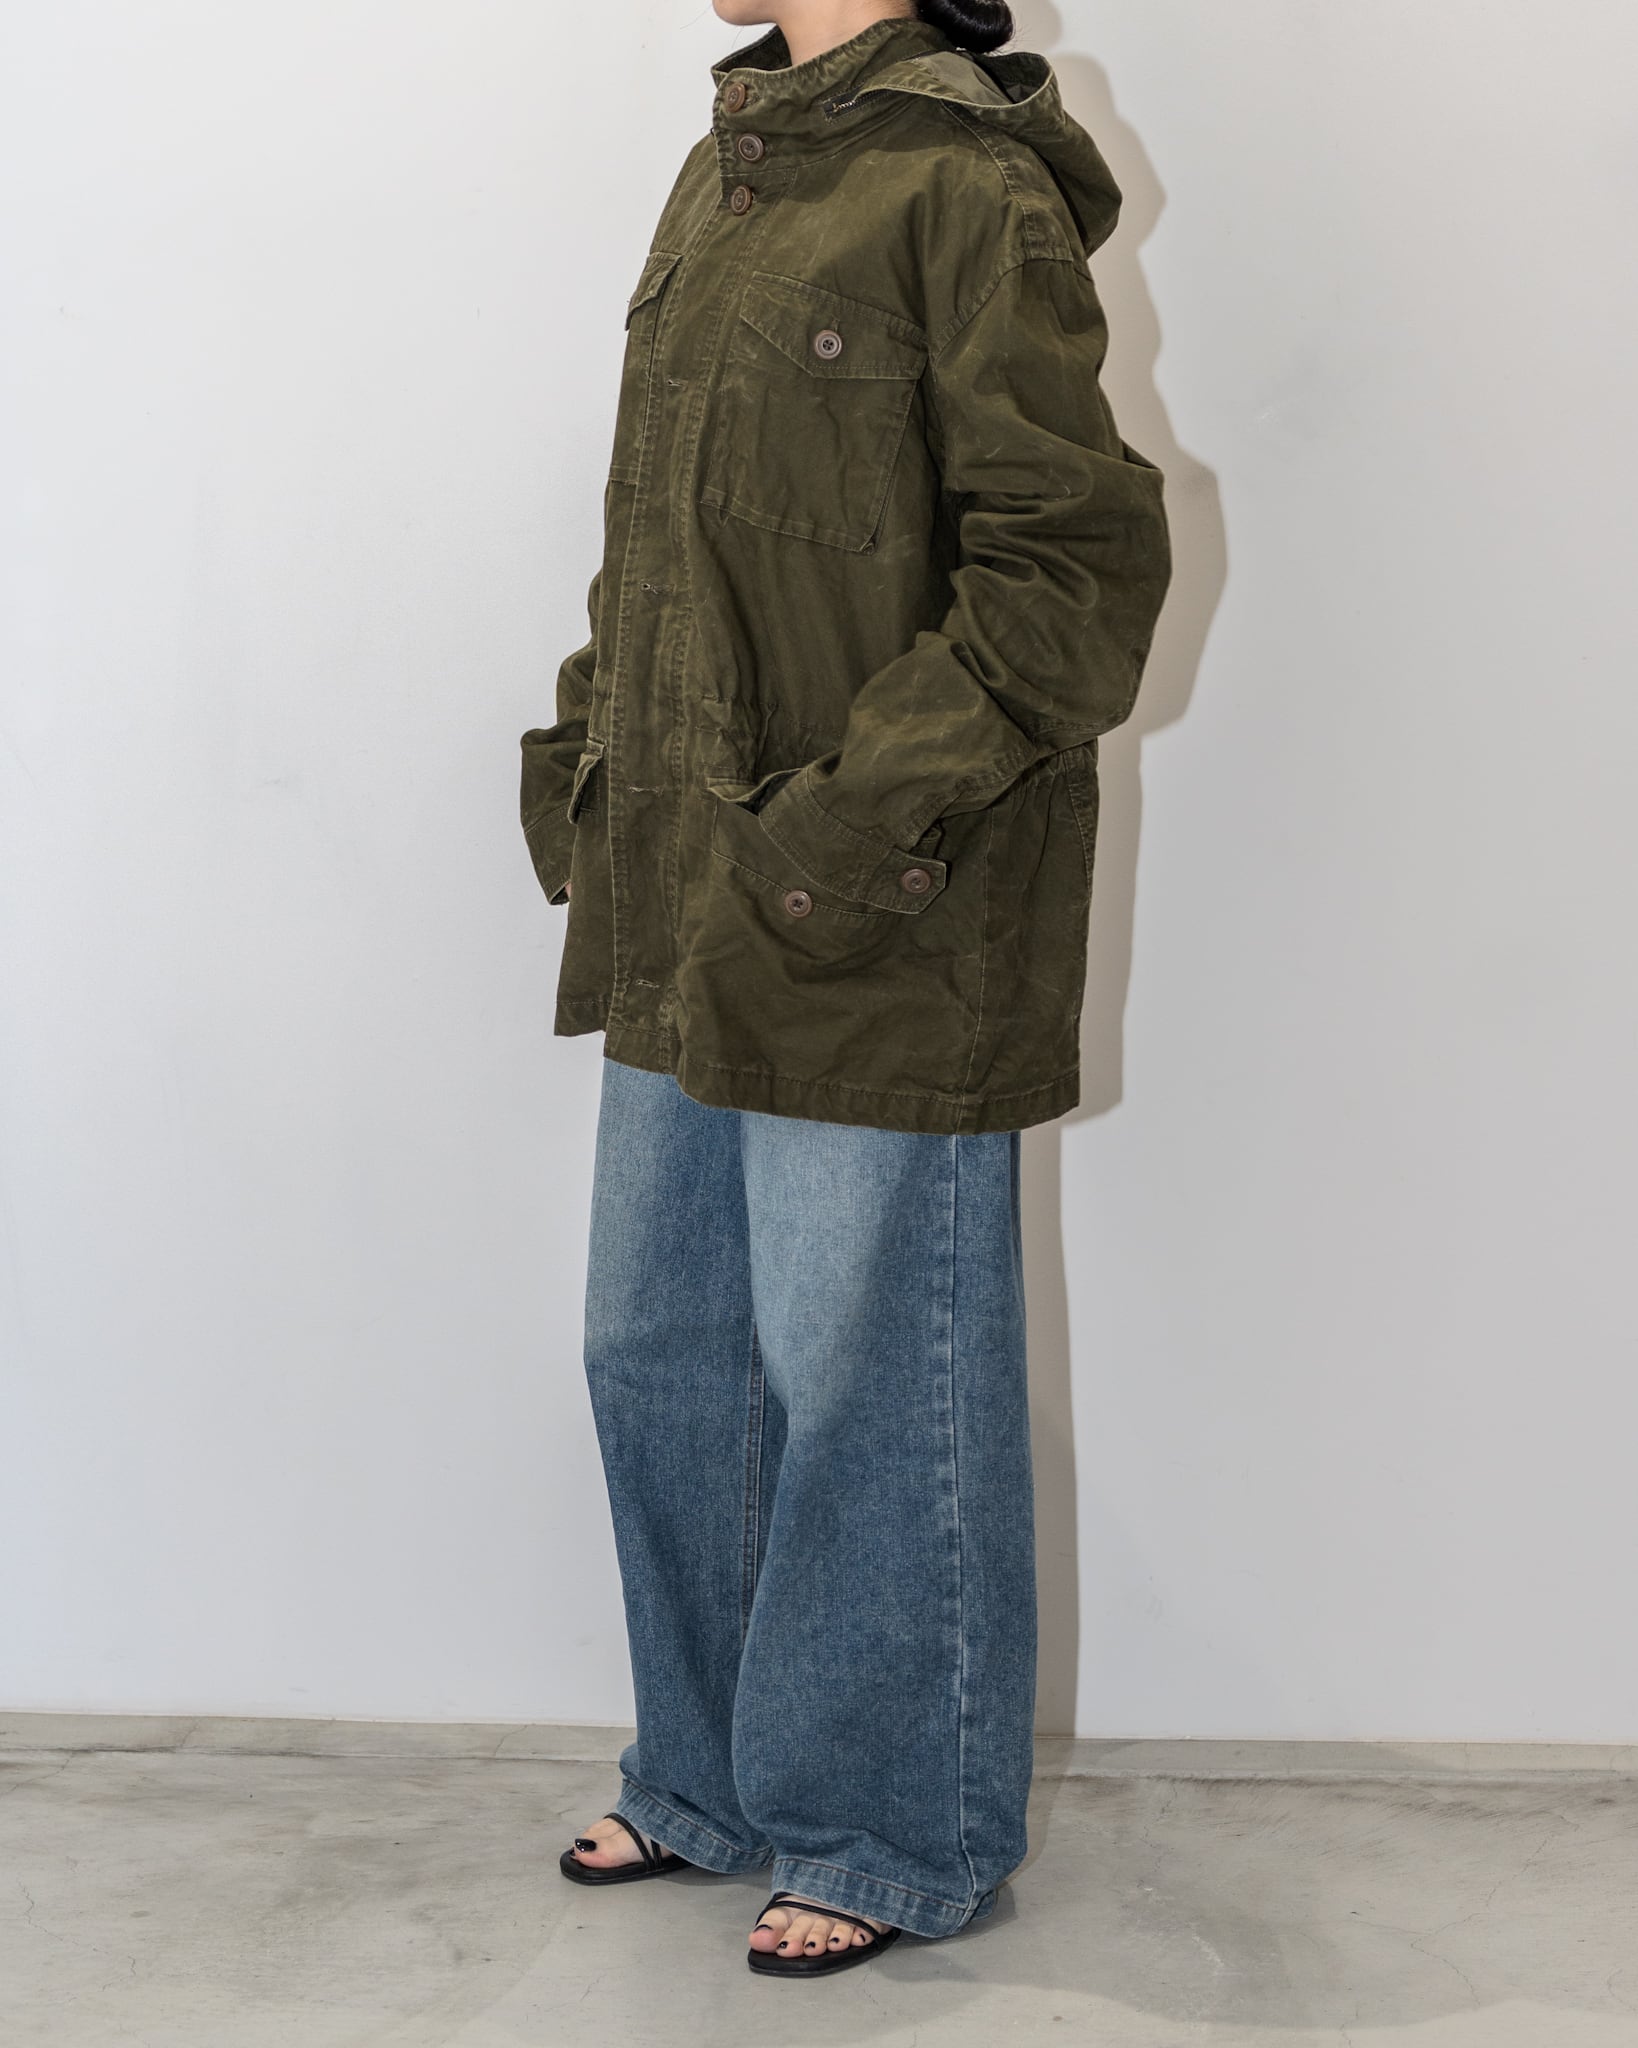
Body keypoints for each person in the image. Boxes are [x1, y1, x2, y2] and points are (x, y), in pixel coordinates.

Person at [519, 0, 1172, 1981]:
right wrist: (591, 760)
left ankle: (890, 1821)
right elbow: (665, 536)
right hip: (691, 889)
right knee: (661, 1345)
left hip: (881, 909)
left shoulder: (964, 186)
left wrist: (844, 821)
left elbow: (1072, 570)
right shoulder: (732, 170)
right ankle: (709, 1773)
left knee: (865, 1374)